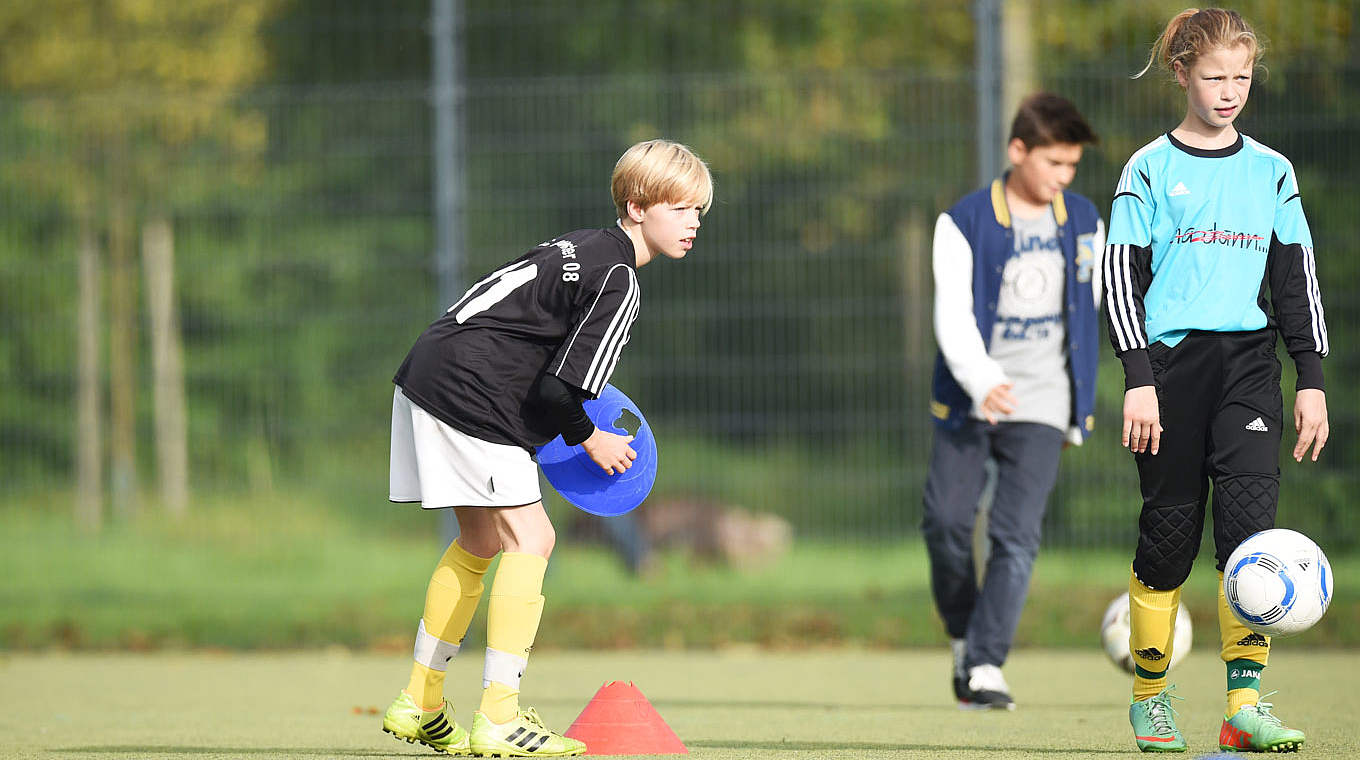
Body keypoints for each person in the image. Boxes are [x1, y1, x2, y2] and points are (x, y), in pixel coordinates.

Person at [379, 139, 713, 757]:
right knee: (534, 540)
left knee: (480, 542)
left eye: (700, 211)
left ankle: (418, 702)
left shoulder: (583, 247)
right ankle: (499, 718)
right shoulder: (620, 282)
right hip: (471, 393)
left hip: (429, 370)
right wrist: (594, 441)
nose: (694, 221)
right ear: (637, 206)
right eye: (681, 207)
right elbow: (559, 391)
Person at [1105, 8, 1328, 753]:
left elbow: (1296, 281)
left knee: (1250, 537)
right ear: (1181, 74)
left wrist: (1312, 379)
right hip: (1168, 371)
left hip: (1248, 369)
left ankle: (1243, 707)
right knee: (1169, 537)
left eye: (1241, 76)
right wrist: (1138, 377)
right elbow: (1118, 281)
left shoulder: (1272, 170)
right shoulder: (1148, 169)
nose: (1230, 90)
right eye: (1213, 76)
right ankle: (1150, 696)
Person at [922, 93, 1104, 710]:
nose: (1064, 178)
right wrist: (981, 378)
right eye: (1054, 163)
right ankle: (964, 634)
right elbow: (952, 316)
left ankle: (986, 663)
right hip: (972, 398)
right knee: (945, 524)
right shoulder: (963, 222)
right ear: (1017, 151)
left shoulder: (1083, 221)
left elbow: (1096, 306)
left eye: (1072, 166)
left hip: (1044, 401)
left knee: (1015, 535)